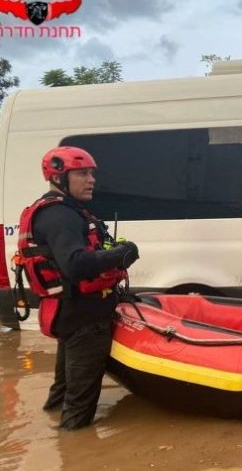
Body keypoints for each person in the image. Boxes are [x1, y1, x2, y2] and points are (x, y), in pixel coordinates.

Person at [15, 146, 139, 430]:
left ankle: (53, 431)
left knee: (62, 393)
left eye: (91, 173)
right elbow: (75, 264)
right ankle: (72, 451)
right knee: (79, 409)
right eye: (82, 173)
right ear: (59, 178)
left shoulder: (55, 211)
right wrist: (122, 254)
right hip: (85, 320)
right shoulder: (62, 216)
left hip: (68, 314)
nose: (91, 179)